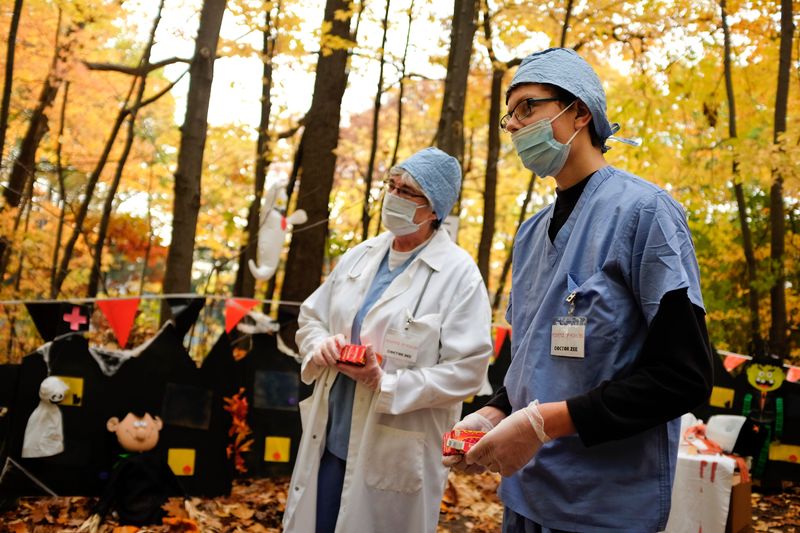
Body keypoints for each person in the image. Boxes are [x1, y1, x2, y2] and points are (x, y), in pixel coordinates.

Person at [443, 47, 713, 532]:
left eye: (528, 107)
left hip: (601, 504)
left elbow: (683, 376)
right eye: (510, 115)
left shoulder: (645, 214)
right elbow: (534, 357)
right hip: (526, 494)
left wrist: (543, 423)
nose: (515, 125)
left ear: (579, 112)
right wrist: (494, 409)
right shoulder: (530, 234)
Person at [282, 147, 493, 533]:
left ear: (434, 209)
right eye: (391, 186)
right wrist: (320, 344)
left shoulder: (459, 275)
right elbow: (312, 317)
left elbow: (469, 370)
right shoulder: (360, 256)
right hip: (330, 438)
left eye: (407, 192)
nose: (392, 197)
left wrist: (386, 383)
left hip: (392, 449)